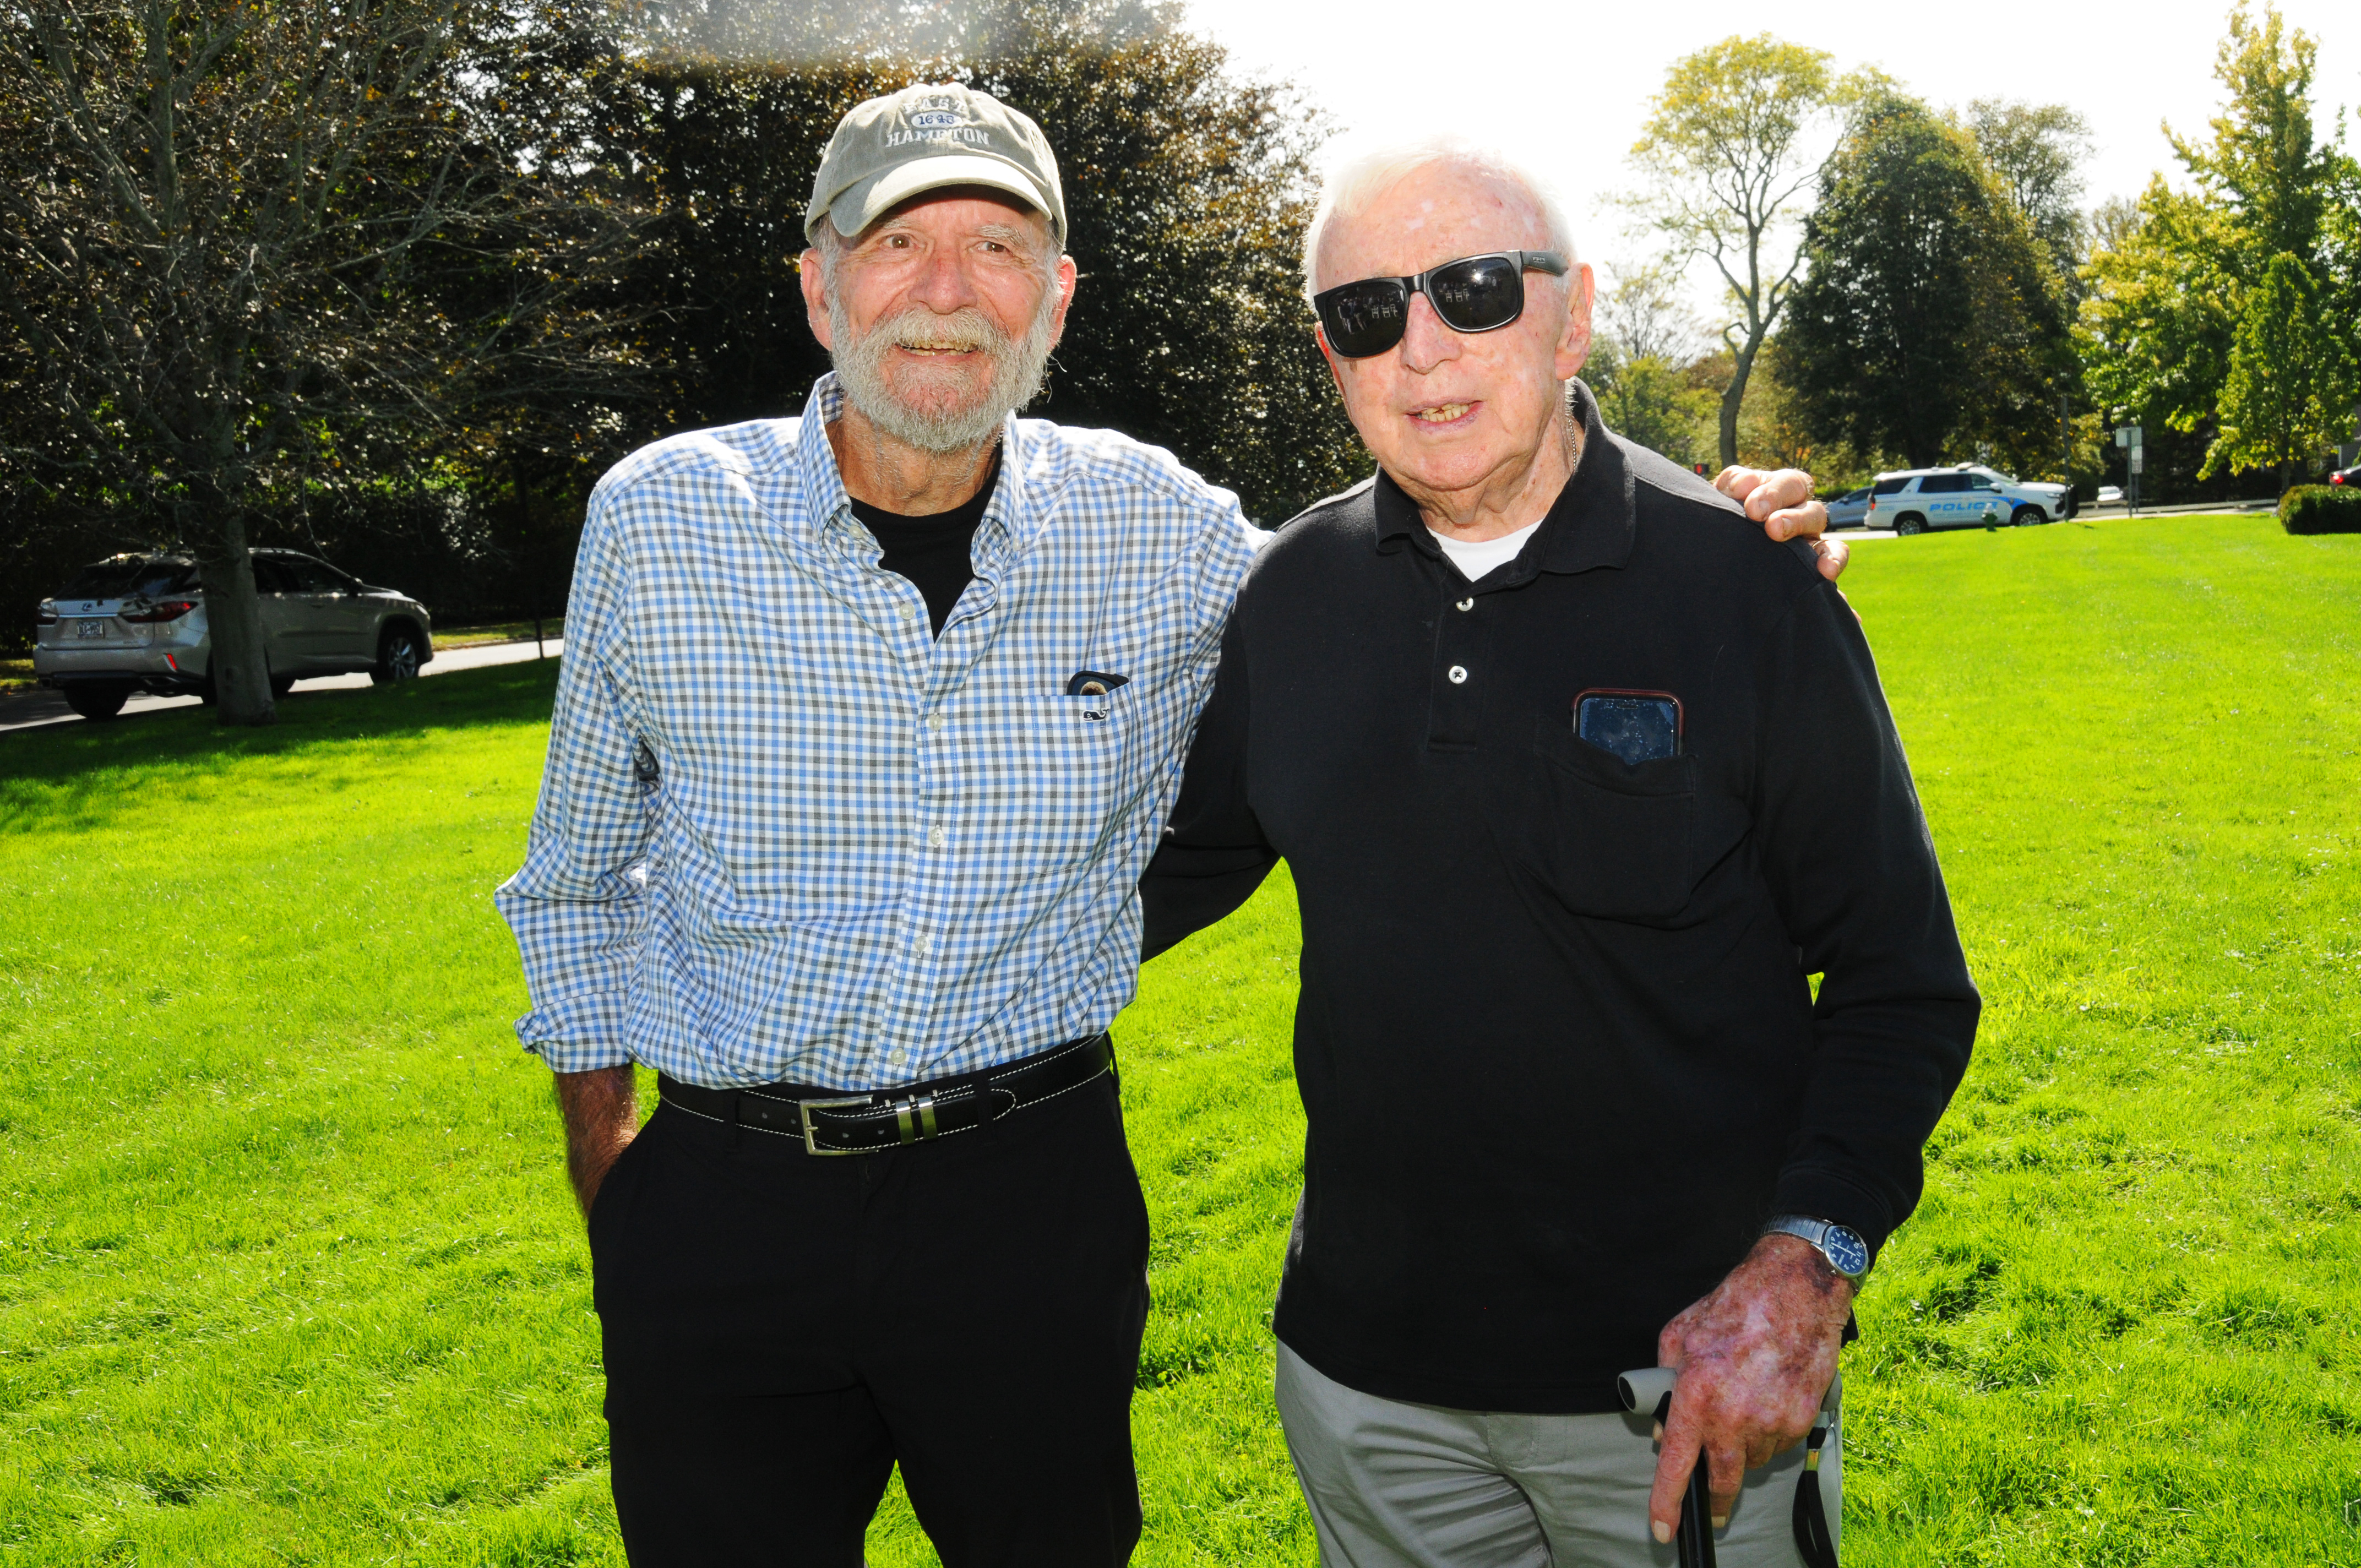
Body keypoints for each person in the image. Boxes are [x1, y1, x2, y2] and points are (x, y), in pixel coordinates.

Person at [496, 85, 1837, 1567]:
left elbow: (1434, 557)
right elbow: (572, 877)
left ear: (1056, 300)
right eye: (898, 245)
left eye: (999, 247)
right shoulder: (660, 518)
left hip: (1026, 1199)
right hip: (721, 1204)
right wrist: (613, 1174)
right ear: (819, 284)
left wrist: (1707, 537)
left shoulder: (1163, 525)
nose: (949, 294)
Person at [1141, 135, 1981, 1568]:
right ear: (1328, 358)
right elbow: (1140, 874)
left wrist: (1804, 1275)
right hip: (1371, 1398)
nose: (1419, 351)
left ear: (1574, 313)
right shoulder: (1287, 600)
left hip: (1678, 1395)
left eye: (1471, 290)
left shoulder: (1746, 589)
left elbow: (1904, 984)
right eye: (1364, 314)